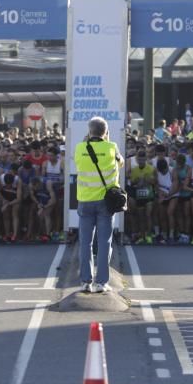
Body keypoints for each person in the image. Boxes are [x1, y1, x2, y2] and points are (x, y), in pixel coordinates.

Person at [74, 116, 123, 294]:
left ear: (89, 132)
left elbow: (78, 160)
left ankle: (86, 282)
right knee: (104, 242)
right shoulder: (112, 147)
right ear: (106, 132)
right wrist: (107, 142)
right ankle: (102, 282)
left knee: (85, 243)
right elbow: (121, 163)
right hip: (105, 202)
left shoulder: (80, 148)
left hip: (85, 201)